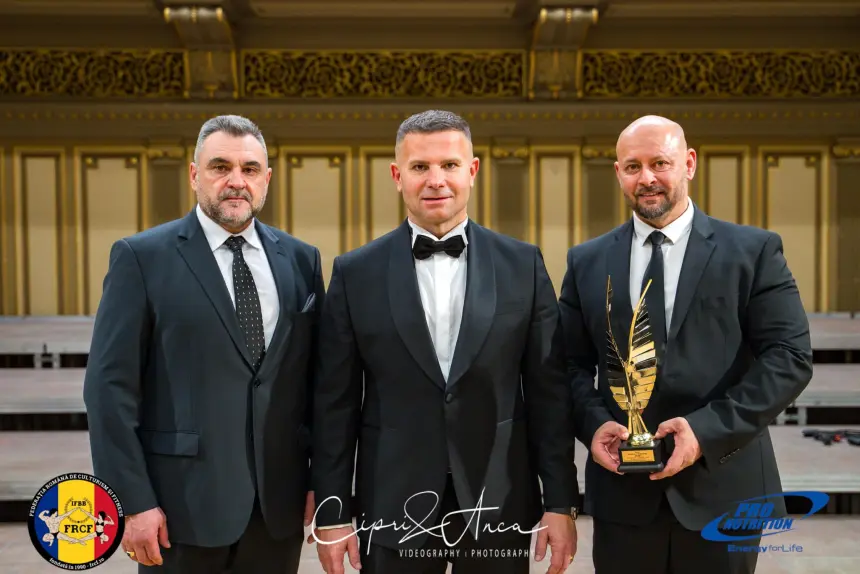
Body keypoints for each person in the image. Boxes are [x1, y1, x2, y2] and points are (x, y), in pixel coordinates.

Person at [309, 110, 578, 574]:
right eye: (420, 167)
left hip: (499, 501)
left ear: (472, 171)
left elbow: (548, 395)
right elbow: (335, 404)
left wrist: (560, 502)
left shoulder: (523, 265)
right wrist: (332, 513)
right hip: (393, 504)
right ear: (397, 176)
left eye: (449, 165)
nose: (436, 180)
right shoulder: (354, 274)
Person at [559, 115, 813, 573]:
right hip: (623, 494)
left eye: (660, 163)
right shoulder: (586, 261)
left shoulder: (753, 251)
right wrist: (594, 424)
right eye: (632, 166)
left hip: (724, 489)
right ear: (618, 172)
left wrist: (705, 431)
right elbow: (568, 365)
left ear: (689, 163)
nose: (646, 178)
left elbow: (789, 358)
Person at [83, 115, 325, 573]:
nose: (236, 181)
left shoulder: (301, 260)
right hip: (179, 509)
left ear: (267, 179)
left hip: (277, 510)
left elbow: (317, 384)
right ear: (195, 175)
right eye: (220, 167)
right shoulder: (141, 257)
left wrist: (320, 481)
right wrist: (132, 502)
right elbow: (108, 391)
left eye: (250, 169)